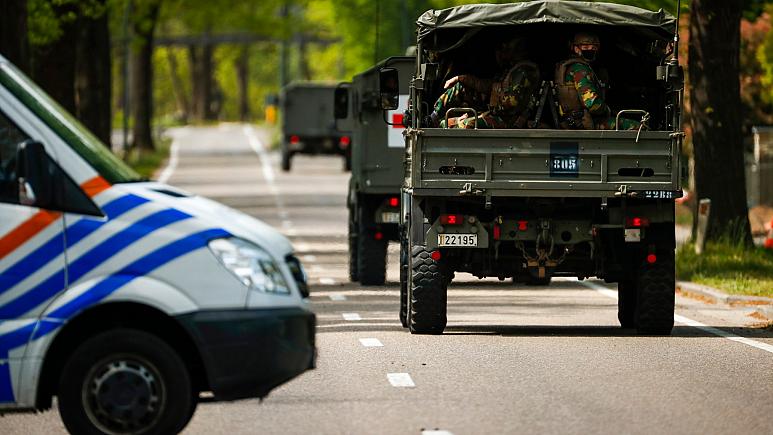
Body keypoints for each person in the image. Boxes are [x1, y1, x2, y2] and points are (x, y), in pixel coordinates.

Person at [430, 37, 540, 129]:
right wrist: (463, 79)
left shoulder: (525, 72)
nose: (502, 50)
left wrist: (493, 101)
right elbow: (491, 86)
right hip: (496, 113)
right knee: (460, 88)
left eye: (506, 47)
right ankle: (432, 117)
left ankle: (439, 123)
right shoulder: (512, 69)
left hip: (509, 121)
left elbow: (509, 106)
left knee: (461, 125)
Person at [555, 32, 639, 130]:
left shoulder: (568, 67)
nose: (590, 50)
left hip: (572, 120)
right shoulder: (580, 69)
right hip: (583, 122)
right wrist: (607, 110)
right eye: (585, 47)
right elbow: (591, 103)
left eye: (594, 47)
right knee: (637, 127)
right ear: (576, 48)